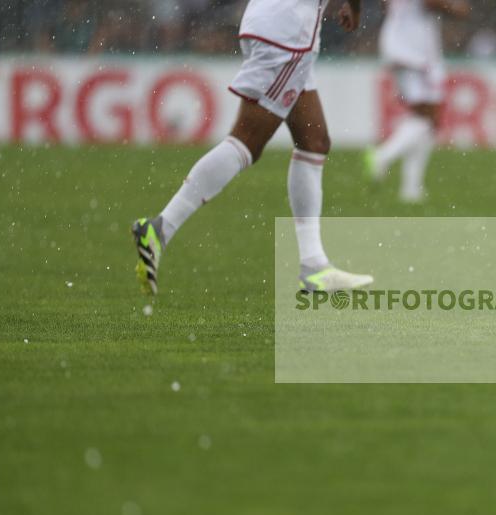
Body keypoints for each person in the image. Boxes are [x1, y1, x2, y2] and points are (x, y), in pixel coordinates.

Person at [133, 0, 373, 295]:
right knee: (247, 142)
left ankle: (314, 266)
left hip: (271, 20)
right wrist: (356, 7)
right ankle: (160, 228)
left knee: (314, 141)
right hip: (288, 32)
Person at [365, 0, 470, 202]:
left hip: (401, 45)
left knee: (423, 117)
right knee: (429, 117)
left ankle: (411, 188)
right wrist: (455, 8)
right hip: (414, 52)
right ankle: (382, 156)